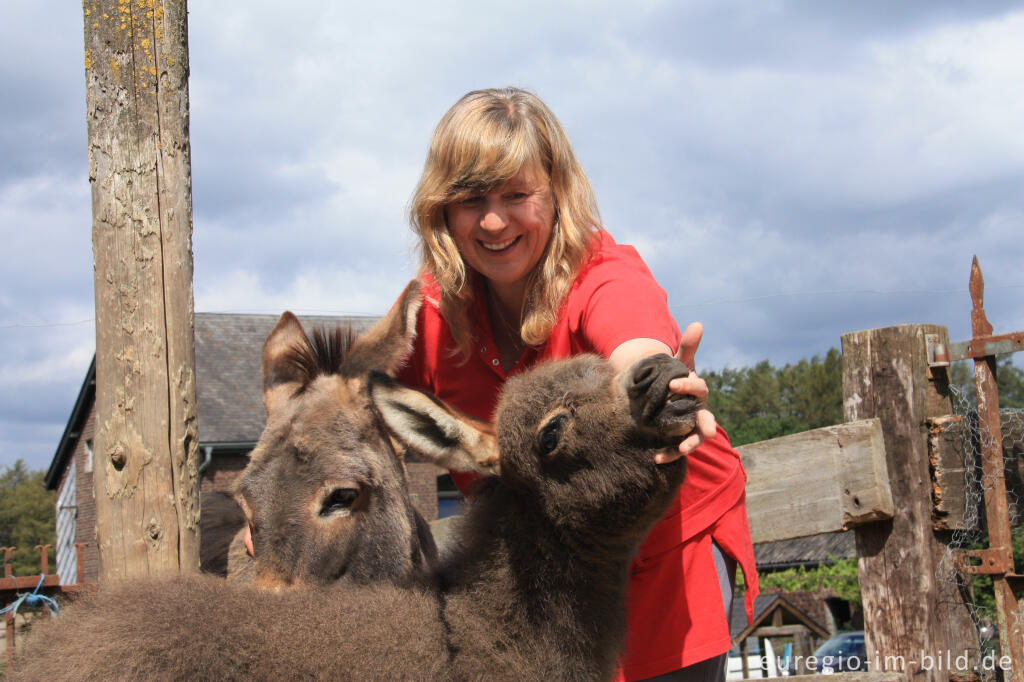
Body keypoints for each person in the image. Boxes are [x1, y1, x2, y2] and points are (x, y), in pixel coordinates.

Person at [395, 87, 758, 681]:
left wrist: (655, 386)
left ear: (556, 191)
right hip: (535, 590)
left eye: (517, 195)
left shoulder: (602, 272)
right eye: (471, 199)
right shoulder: (432, 313)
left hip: (657, 557)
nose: (493, 221)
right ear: (441, 209)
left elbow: (635, 340)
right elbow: (356, 410)